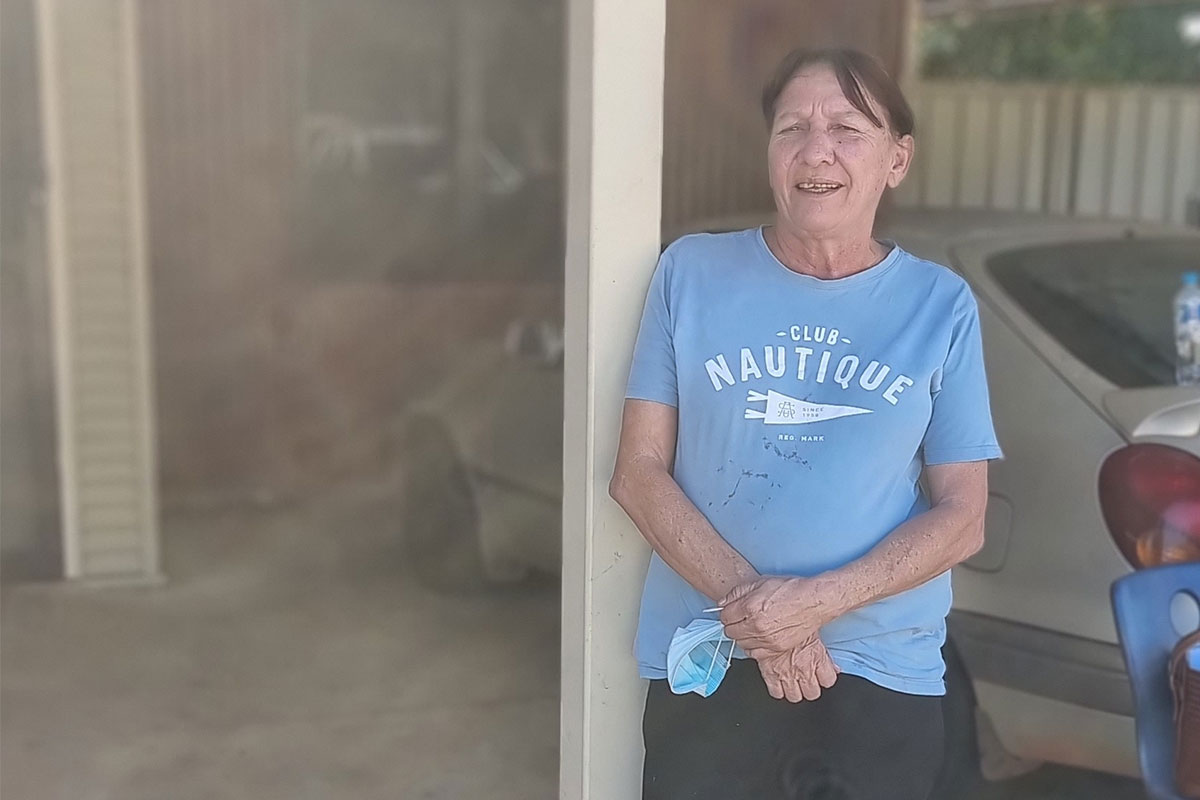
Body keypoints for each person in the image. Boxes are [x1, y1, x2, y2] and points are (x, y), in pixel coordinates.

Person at [610, 47, 1002, 800]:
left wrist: (813, 606)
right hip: (713, 659)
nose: (815, 150)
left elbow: (963, 516)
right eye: (792, 127)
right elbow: (637, 474)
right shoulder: (689, 273)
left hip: (880, 671)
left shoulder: (939, 305)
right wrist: (760, 614)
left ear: (897, 158)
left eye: (848, 129)